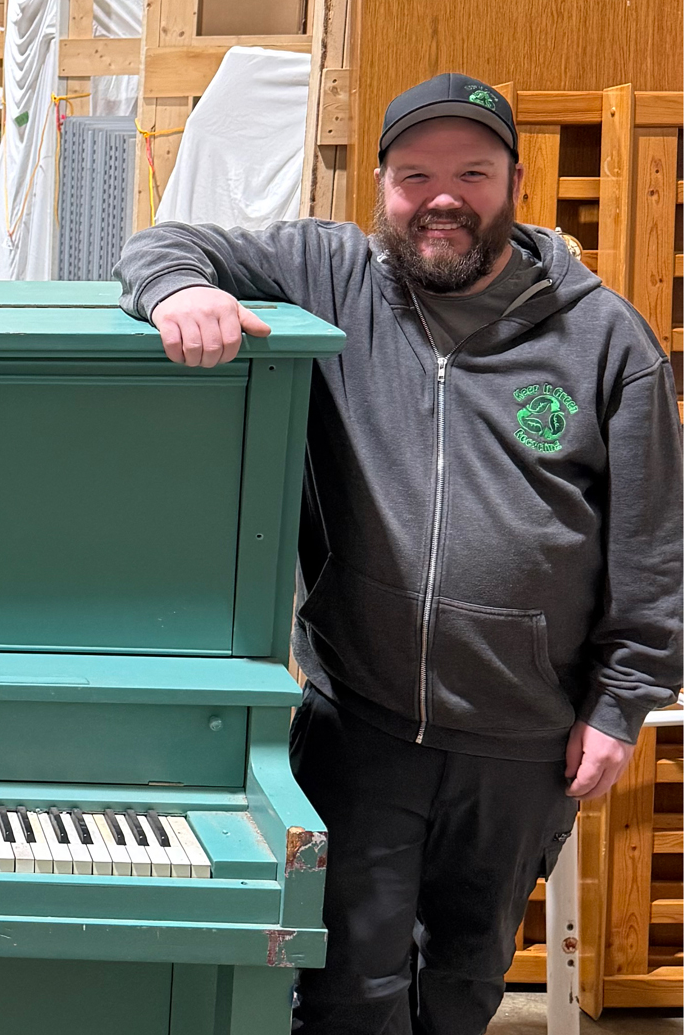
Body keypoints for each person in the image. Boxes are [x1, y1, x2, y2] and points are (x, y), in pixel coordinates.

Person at [115, 73, 682, 1034]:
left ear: (515, 183)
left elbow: (653, 546)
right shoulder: (335, 276)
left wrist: (621, 704)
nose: (442, 199)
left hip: (524, 739)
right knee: (346, 989)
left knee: (463, 982)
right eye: (415, 176)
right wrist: (183, 290)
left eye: (473, 174)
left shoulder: (604, 339)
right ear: (381, 186)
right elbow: (161, 242)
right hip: (364, 723)